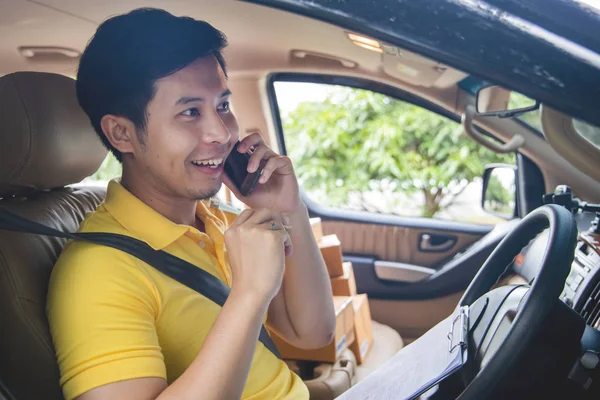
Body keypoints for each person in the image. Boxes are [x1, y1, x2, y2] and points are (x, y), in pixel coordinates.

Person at [46, 8, 336, 400]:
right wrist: (249, 294)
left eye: (222, 105)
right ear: (122, 133)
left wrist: (289, 208)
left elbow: (313, 332)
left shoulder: (219, 220)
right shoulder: (97, 272)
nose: (221, 132)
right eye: (190, 112)